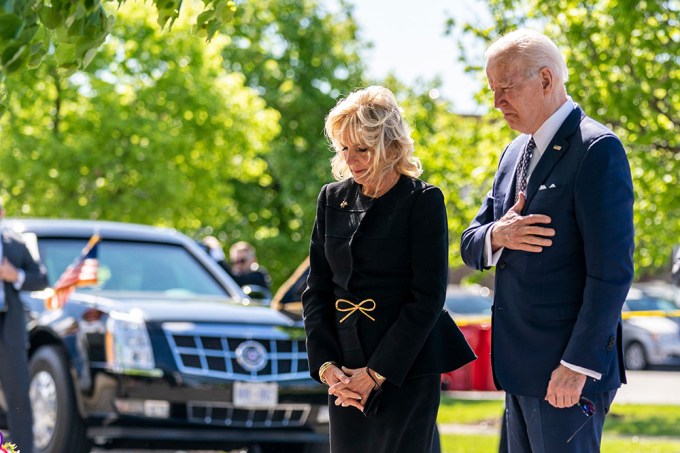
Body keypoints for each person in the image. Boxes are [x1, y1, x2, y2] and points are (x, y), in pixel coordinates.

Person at [460, 30, 634, 452]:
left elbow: (611, 274)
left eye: (506, 88)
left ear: (545, 79)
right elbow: (470, 242)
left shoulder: (597, 149)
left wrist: (577, 366)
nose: (497, 102)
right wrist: (498, 234)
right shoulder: (512, 153)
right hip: (518, 368)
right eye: (492, 90)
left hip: (565, 373)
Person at [302, 85, 475, 453]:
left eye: (361, 149)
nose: (351, 159)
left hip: (404, 369)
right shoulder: (331, 199)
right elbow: (316, 289)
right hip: (344, 372)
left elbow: (427, 297)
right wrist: (327, 367)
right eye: (344, 148)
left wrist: (376, 373)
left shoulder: (423, 200)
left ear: (391, 146)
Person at [0, 199, 49, 453]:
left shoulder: (16, 244)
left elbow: (41, 277)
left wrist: (15, 275)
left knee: (18, 394)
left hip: (9, 325)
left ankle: (20, 450)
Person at [202, 237, 272, 290]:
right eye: (234, 262)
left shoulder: (258, 277)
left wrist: (218, 256)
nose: (238, 265)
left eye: (242, 261)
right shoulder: (236, 275)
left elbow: (237, 281)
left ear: (253, 260)